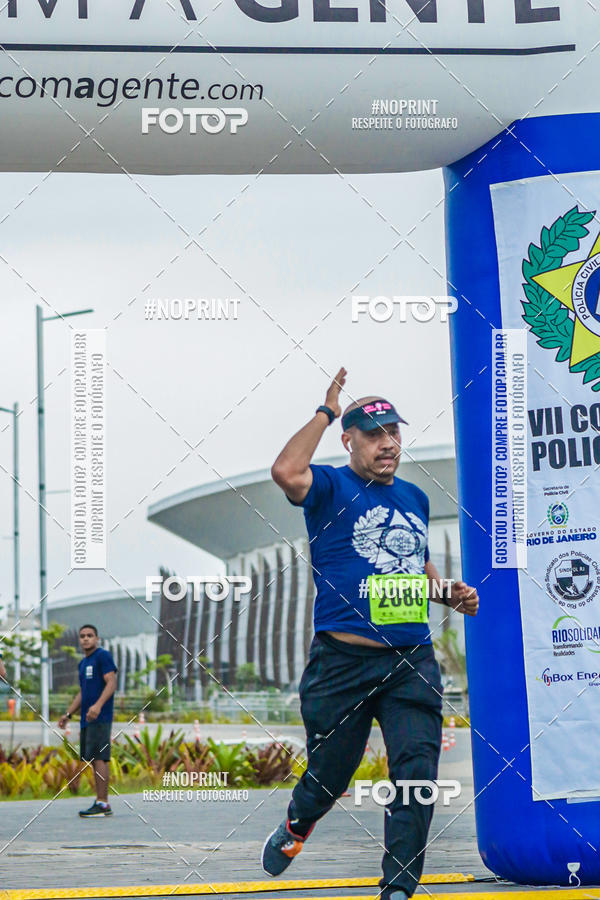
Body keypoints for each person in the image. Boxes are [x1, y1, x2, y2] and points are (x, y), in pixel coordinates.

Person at [261, 367, 479, 900]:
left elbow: (414, 566)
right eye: (374, 435)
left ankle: (399, 886)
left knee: (416, 773)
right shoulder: (330, 487)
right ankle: (298, 823)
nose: (388, 444)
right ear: (349, 442)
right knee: (331, 774)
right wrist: (326, 411)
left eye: (394, 433)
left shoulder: (414, 498)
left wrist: (446, 591)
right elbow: (286, 471)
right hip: (342, 662)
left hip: (411, 660)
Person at [58, 624, 117, 817]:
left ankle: (103, 803)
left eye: (90, 635)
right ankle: (100, 801)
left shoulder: (103, 656)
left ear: (97, 639)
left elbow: (111, 682)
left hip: (100, 717)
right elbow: (83, 692)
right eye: (82, 636)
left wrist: (98, 705)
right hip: (86, 719)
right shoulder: (83, 663)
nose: (85, 638)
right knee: (93, 758)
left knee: (100, 757)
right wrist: (68, 714)